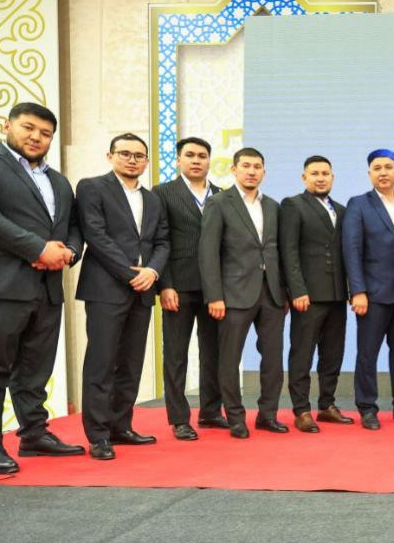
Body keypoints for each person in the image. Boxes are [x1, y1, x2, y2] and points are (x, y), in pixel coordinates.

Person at [0, 102, 84, 473]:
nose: (36, 137)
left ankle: (34, 434)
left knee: (36, 368)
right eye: (28, 128)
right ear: (7, 126)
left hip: (47, 286)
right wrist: (37, 249)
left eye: (46, 133)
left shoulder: (59, 181)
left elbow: (73, 226)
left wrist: (68, 253)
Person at [75, 134, 170, 460]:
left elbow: (163, 242)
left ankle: (121, 426)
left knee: (131, 364)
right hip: (106, 289)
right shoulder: (92, 187)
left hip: (143, 290)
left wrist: (152, 271)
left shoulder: (153, 199)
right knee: (101, 364)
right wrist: (132, 274)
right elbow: (96, 236)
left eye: (139, 155)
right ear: (110, 155)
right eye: (125, 153)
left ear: (146, 161)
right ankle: (98, 435)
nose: (132, 160)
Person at [199, 147, 287, 439]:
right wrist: (214, 296)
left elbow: (279, 252)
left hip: (272, 293)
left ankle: (268, 415)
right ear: (234, 169)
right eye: (246, 166)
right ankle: (235, 417)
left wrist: (285, 291)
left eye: (257, 166)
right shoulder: (219, 203)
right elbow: (208, 253)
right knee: (229, 359)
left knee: (273, 359)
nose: (251, 171)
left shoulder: (273, 206)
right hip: (233, 295)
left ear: (264, 172)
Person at [155, 136, 225, 440]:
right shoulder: (162, 193)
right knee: (176, 355)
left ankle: (211, 411)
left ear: (209, 161)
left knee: (214, 353)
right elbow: (160, 240)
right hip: (179, 287)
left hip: (215, 290)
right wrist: (165, 285)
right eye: (190, 155)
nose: (197, 160)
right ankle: (179, 419)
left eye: (202, 156)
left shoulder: (222, 195)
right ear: (179, 160)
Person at [280, 155, 355, 432]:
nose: (320, 178)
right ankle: (301, 410)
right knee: (302, 353)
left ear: (332, 177)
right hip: (307, 296)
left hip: (337, 295)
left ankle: (327, 405)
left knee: (333, 353)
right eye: (314, 173)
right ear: (304, 178)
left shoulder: (343, 210)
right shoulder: (293, 205)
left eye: (325, 173)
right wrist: (296, 290)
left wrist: (351, 290)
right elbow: (289, 251)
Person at [343, 149, 394, 430]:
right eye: (377, 168)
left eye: (388, 167)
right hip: (372, 294)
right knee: (367, 353)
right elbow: (352, 250)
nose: (383, 172)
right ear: (369, 173)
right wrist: (357, 291)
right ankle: (367, 407)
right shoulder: (359, 204)